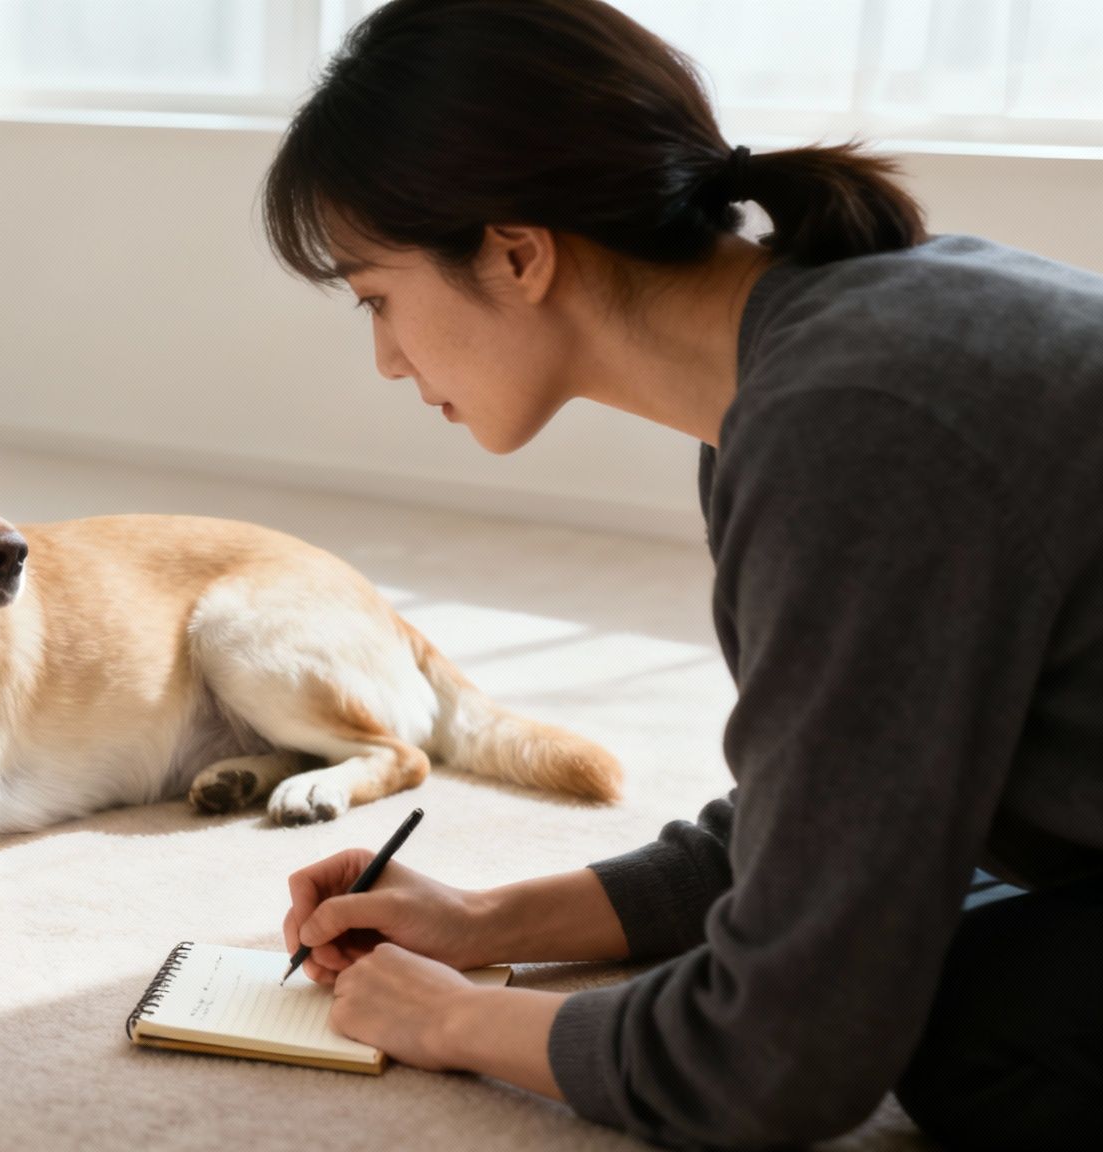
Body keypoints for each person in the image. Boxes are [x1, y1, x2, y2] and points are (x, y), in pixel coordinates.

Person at [263, 1, 1103, 1148]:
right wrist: (482, 917)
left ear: (514, 252)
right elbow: (843, 791)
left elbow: (777, 1053)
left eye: (376, 298)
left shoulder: (847, 423)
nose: (386, 358)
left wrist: (457, 1024)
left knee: (957, 1018)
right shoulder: (816, 356)